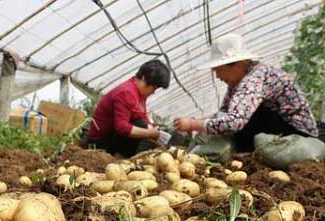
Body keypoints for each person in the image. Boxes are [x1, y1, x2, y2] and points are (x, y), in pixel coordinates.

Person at [174, 33, 318, 152]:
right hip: (279, 127)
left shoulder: (254, 78)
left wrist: (193, 124)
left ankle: (244, 155)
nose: (217, 76)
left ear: (236, 65)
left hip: (297, 133)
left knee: (242, 123)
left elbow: (234, 122)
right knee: (232, 118)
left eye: (219, 70)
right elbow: (224, 112)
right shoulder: (238, 81)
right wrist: (198, 121)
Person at [86, 59, 171, 158]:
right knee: (142, 126)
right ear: (144, 78)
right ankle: (130, 159)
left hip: (112, 136)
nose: (153, 92)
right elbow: (121, 127)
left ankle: (133, 158)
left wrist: (152, 128)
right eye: (154, 88)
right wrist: (149, 133)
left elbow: (142, 115)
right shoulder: (127, 93)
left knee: (144, 125)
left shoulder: (139, 94)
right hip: (100, 142)